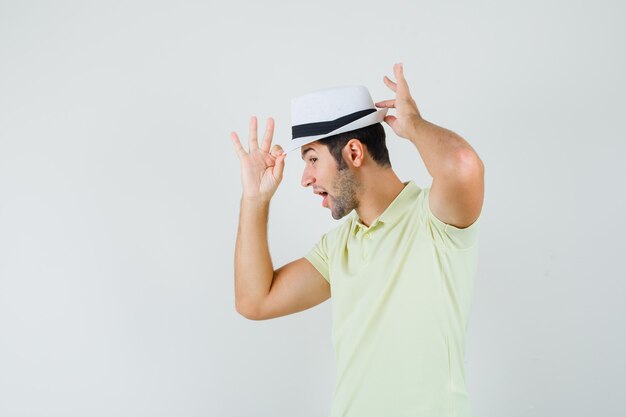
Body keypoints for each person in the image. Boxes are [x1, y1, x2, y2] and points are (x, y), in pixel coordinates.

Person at [230, 63, 484, 417]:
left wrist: (413, 127)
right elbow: (254, 301)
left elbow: (462, 164)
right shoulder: (338, 248)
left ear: (353, 153)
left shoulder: (434, 219)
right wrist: (254, 200)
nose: (304, 179)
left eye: (313, 159)